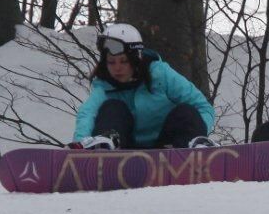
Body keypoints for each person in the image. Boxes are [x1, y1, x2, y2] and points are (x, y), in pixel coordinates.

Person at [70, 22, 217, 150]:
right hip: (125, 148)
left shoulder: (160, 74)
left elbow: (203, 107)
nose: (117, 68)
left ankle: (196, 146)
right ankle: (106, 145)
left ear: (135, 60)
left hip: (169, 146)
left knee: (186, 111)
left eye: (124, 61)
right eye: (111, 62)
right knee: (112, 108)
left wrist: (198, 132)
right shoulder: (104, 86)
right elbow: (87, 113)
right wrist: (80, 143)